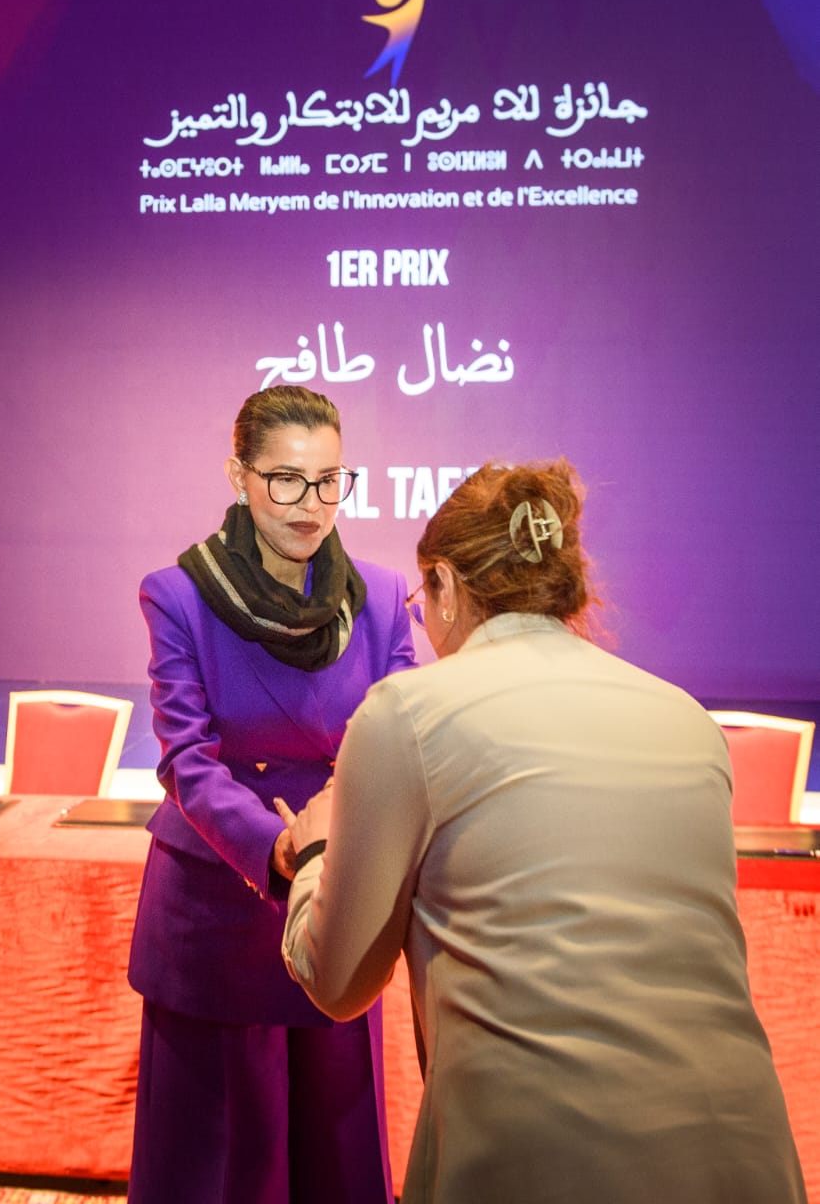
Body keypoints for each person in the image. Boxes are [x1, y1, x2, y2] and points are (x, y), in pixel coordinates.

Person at [278, 459, 807, 1204]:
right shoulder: (687, 718)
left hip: (539, 1156)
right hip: (743, 1153)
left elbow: (338, 983)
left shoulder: (406, 713)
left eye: (420, 603)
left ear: (445, 586)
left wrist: (313, 853)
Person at [127, 385, 415, 1204]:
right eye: (286, 480)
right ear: (240, 477)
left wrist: (337, 833)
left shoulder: (383, 597)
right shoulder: (177, 595)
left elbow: (407, 738)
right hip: (219, 902)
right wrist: (277, 844)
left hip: (337, 896)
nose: (311, 504)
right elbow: (187, 760)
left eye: (329, 481)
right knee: (217, 1165)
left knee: (338, 1155)